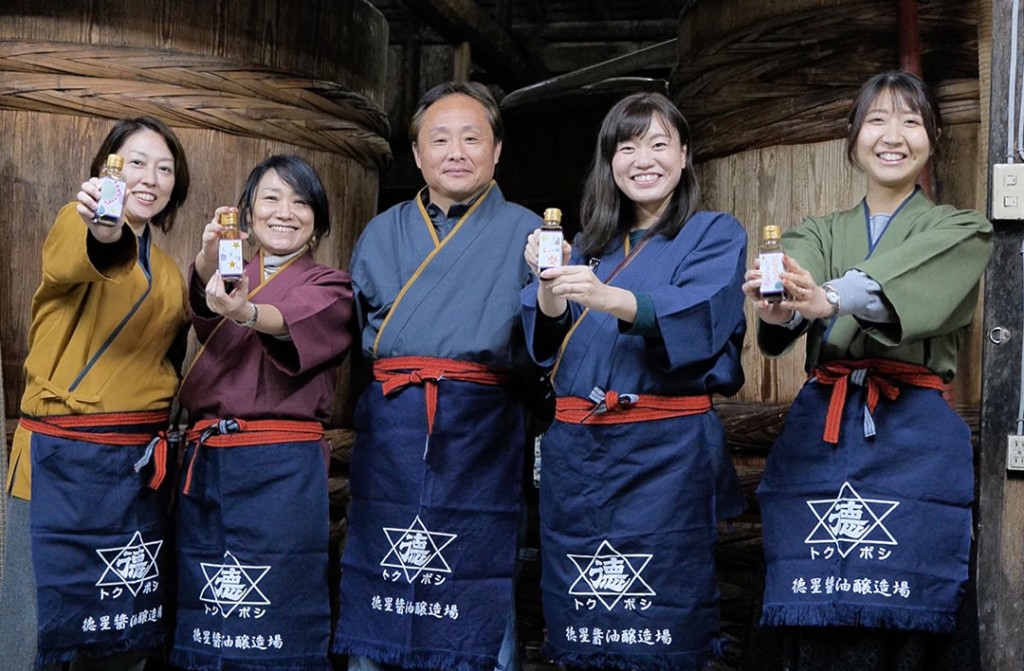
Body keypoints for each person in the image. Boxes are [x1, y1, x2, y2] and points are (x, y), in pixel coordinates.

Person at [742, 70, 993, 670]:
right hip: (821, 431)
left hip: (915, 434)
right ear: (853, 137)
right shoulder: (817, 232)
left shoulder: (959, 230)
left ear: (932, 136)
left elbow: (865, 290)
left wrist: (829, 297)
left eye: (911, 120)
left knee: (914, 586)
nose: (893, 135)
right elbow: (789, 294)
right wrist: (781, 301)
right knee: (812, 582)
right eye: (876, 119)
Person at [521, 91, 747, 670]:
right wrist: (549, 287)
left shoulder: (714, 234)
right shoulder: (588, 247)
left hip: (665, 456)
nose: (643, 159)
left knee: (664, 609)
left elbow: (699, 314)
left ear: (685, 155)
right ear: (609, 162)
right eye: (627, 146)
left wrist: (606, 296)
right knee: (580, 612)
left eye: (658, 144)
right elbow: (547, 343)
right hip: (581, 454)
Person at [332, 81, 541, 671]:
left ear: (497, 150)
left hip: (482, 429)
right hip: (395, 425)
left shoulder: (530, 232)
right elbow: (354, 341)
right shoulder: (382, 231)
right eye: (439, 138)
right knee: (385, 563)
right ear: (417, 154)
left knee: (477, 569)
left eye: (472, 138)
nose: (456, 151)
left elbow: (548, 347)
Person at [0, 116, 191, 670]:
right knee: (36, 627)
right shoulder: (74, 221)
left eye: (165, 168)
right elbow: (90, 245)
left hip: (130, 472)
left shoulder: (173, 273)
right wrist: (104, 230)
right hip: (59, 460)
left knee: (123, 629)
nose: (151, 178)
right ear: (107, 168)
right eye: (136, 163)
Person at [169, 155, 353, 671]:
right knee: (209, 608)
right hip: (209, 467)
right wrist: (209, 262)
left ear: (317, 219)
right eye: (271, 198)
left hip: (281, 471)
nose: (285, 212)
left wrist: (247, 313)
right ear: (247, 215)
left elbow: (277, 320)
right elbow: (206, 312)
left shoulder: (331, 286)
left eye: (301, 201)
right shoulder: (230, 276)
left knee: (277, 606)